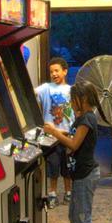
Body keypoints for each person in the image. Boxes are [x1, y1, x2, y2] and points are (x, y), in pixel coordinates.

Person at [44, 79, 106, 223]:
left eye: (73, 99)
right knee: (74, 214)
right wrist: (59, 132)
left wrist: (54, 131)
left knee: (82, 216)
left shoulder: (87, 119)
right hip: (80, 174)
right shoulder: (83, 118)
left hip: (85, 175)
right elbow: (73, 135)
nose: (70, 102)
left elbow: (74, 144)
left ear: (83, 99)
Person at [35, 57, 73, 206]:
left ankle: (69, 191)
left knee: (67, 165)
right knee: (53, 165)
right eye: (51, 72)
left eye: (57, 70)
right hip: (50, 137)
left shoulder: (71, 90)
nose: (54, 74)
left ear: (65, 71)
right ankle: (52, 192)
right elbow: (32, 93)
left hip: (67, 134)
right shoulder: (45, 88)